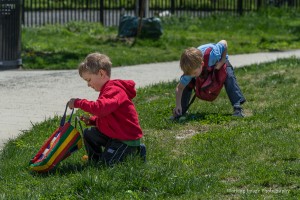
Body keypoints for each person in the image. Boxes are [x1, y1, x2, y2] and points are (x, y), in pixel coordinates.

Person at [68, 52, 146, 166]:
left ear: (101, 73)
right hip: (115, 135)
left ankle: (137, 151)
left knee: (106, 166)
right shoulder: (107, 89)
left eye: (89, 80)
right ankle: (94, 160)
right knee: (89, 133)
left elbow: (100, 109)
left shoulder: (114, 90)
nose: (88, 85)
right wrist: (93, 121)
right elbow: (108, 115)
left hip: (125, 140)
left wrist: (78, 102)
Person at [172, 40, 246, 119]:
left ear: (201, 64)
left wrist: (222, 60)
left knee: (228, 75)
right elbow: (179, 88)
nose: (191, 75)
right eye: (189, 73)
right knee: (188, 82)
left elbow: (224, 42)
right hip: (204, 66)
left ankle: (237, 107)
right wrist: (178, 105)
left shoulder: (214, 55)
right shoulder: (191, 70)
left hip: (219, 62)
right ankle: (181, 110)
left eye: (194, 73)